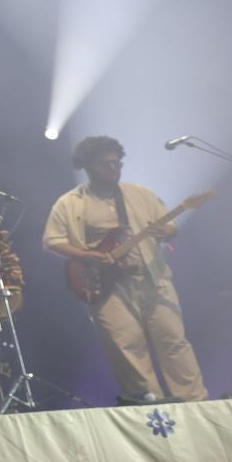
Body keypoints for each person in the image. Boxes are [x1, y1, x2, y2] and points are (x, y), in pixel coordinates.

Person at [43, 135, 207, 404]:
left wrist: (165, 230)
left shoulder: (141, 194)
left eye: (118, 163)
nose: (114, 168)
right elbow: (51, 241)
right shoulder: (70, 203)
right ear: (88, 165)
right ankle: (150, 405)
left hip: (153, 278)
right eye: (106, 164)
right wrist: (87, 256)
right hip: (108, 285)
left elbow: (171, 228)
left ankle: (194, 401)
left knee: (174, 340)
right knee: (127, 346)